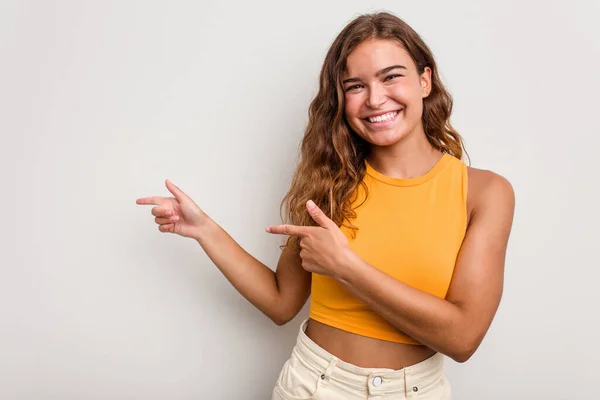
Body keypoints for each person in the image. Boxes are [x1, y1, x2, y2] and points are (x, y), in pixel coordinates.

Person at [136, 11, 515, 400]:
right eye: (355, 85)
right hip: (313, 386)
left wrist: (347, 268)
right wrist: (204, 230)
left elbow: (463, 338)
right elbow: (282, 301)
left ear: (424, 80)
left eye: (391, 76)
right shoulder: (329, 182)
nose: (375, 98)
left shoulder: (485, 193)